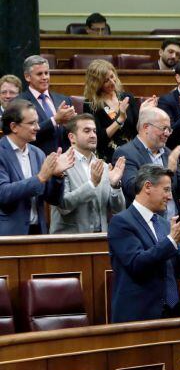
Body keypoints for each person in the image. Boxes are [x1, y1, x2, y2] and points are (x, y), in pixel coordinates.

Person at [108, 164, 180, 322]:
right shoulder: (121, 222)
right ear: (147, 187)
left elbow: (179, 271)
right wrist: (172, 240)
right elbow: (137, 263)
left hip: (172, 314)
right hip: (139, 317)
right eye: (166, 189)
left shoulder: (165, 224)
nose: (170, 196)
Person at [0, 99, 72, 235]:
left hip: (38, 232)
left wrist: (57, 176)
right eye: (32, 123)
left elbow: (53, 199)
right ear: (14, 127)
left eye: (37, 122)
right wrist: (40, 178)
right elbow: (3, 194)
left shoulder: (37, 153)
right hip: (8, 235)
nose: (38, 127)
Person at [112, 106, 180, 218]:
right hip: (145, 226)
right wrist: (168, 173)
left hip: (174, 225)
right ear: (146, 127)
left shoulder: (169, 153)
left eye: (169, 129)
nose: (167, 133)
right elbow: (133, 189)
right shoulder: (126, 153)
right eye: (164, 128)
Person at [50, 114, 126, 234]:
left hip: (100, 239)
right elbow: (63, 206)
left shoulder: (104, 166)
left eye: (94, 131)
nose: (92, 135)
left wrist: (115, 186)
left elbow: (118, 210)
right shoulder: (61, 164)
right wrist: (92, 184)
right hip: (70, 243)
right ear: (72, 137)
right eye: (87, 131)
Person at [83, 59, 156, 160]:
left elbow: (138, 130)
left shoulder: (126, 97)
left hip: (133, 152)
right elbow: (98, 138)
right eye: (106, 81)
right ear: (96, 84)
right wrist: (120, 119)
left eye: (112, 77)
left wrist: (143, 112)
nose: (112, 82)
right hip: (109, 155)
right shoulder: (91, 104)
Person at [19, 55, 76, 155]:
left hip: (66, 159)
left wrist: (71, 124)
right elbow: (24, 134)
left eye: (46, 73)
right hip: (38, 159)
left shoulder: (63, 99)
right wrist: (54, 120)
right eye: (39, 74)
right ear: (27, 76)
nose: (45, 77)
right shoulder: (20, 102)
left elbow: (72, 133)